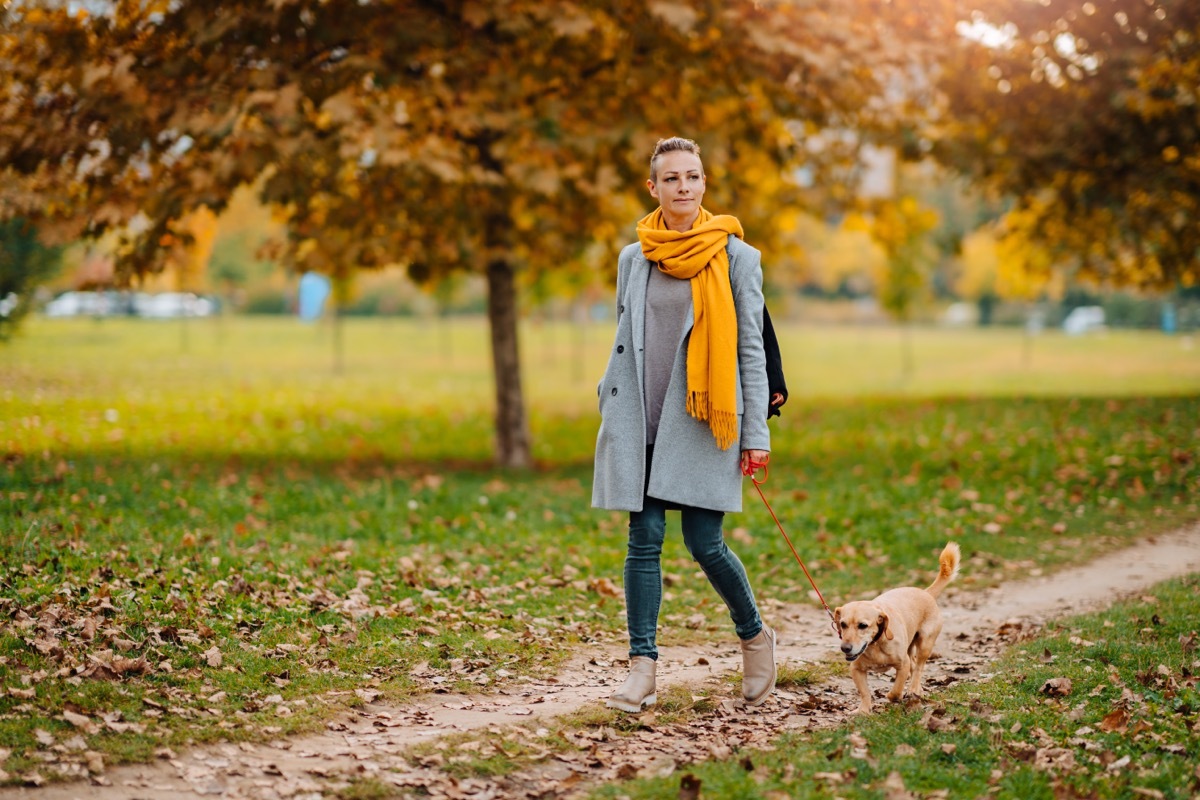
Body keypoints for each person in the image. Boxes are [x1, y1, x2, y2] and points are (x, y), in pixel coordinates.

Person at [592, 136, 775, 711]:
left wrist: (755, 435)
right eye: (671, 179)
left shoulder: (737, 257)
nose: (684, 188)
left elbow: (750, 349)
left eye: (693, 177)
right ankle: (641, 670)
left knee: (705, 543)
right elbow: (625, 337)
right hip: (640, 415)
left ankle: (754, 636)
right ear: (653, 188)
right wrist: (607, 396)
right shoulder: (634, 256)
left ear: (704, 183)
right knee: (642, 541)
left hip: (702, 418)